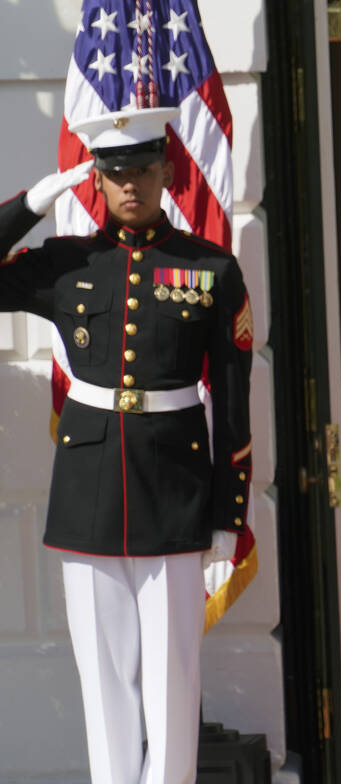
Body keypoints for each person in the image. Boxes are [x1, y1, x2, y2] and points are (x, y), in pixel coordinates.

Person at [0, 107, 253, 783]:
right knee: (103, 678)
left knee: (173, 677)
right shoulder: (69, 263)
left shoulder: (211, 270)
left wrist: (230, 515)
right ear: (99, 183)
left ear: (167, 170)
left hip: (174, 492)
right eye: (115, 174)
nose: (130, 185)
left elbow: (232, 401)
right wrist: (30, 204)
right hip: (88, 497)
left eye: (141, 170)